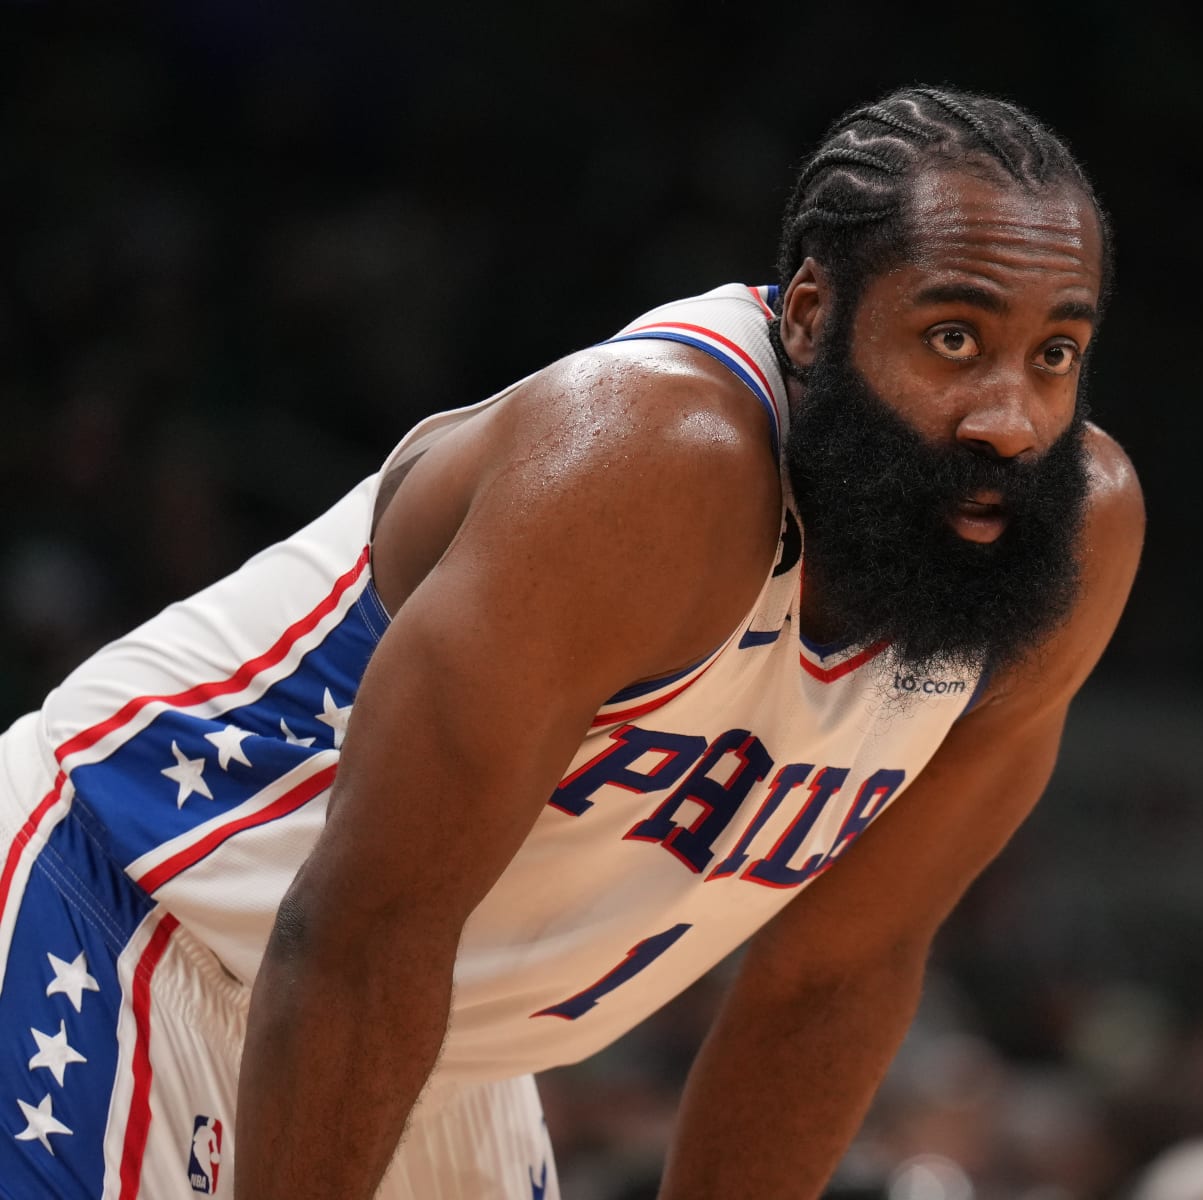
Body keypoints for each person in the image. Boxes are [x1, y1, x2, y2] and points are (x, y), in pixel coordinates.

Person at [0, 85, 1143, 1198]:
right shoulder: (656, 461)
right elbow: (365, 926)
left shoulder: (1067, 540)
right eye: (954, 339)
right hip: (128, 901)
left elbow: (835, 975)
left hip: (424, 1036)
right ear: (807, 317)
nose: (1010, 418)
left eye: (1054, 356)